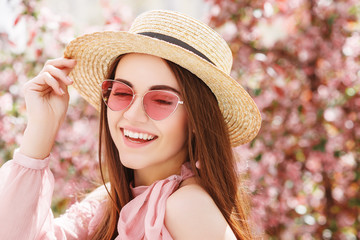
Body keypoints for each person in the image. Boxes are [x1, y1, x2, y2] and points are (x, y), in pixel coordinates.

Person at [0, 10, 261, 240]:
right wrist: (41, 129)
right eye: (122, 93)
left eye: (161, 100)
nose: (133, 115)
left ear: (196, 121)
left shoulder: (187, 206)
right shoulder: (110, 201)